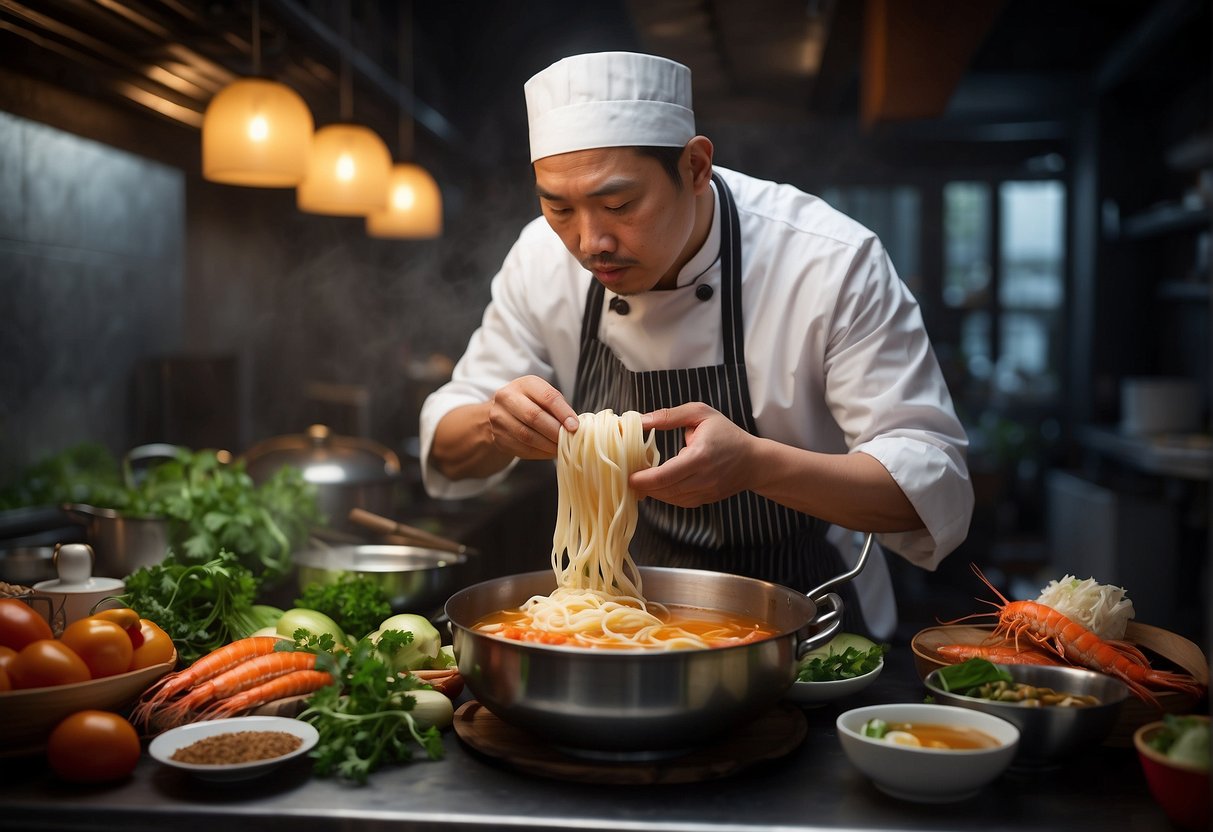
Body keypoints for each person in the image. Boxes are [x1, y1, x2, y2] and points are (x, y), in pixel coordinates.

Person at [418, 51, 973, 638]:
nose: (590, 242)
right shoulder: (540, 259)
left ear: (695, 166)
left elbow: (931, 486)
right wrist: (492, 423)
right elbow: (447, 443)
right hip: (617, 619)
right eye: (558, 208)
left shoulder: (829, 262)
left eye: (619, 205)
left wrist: (757, 464)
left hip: (807, 617)